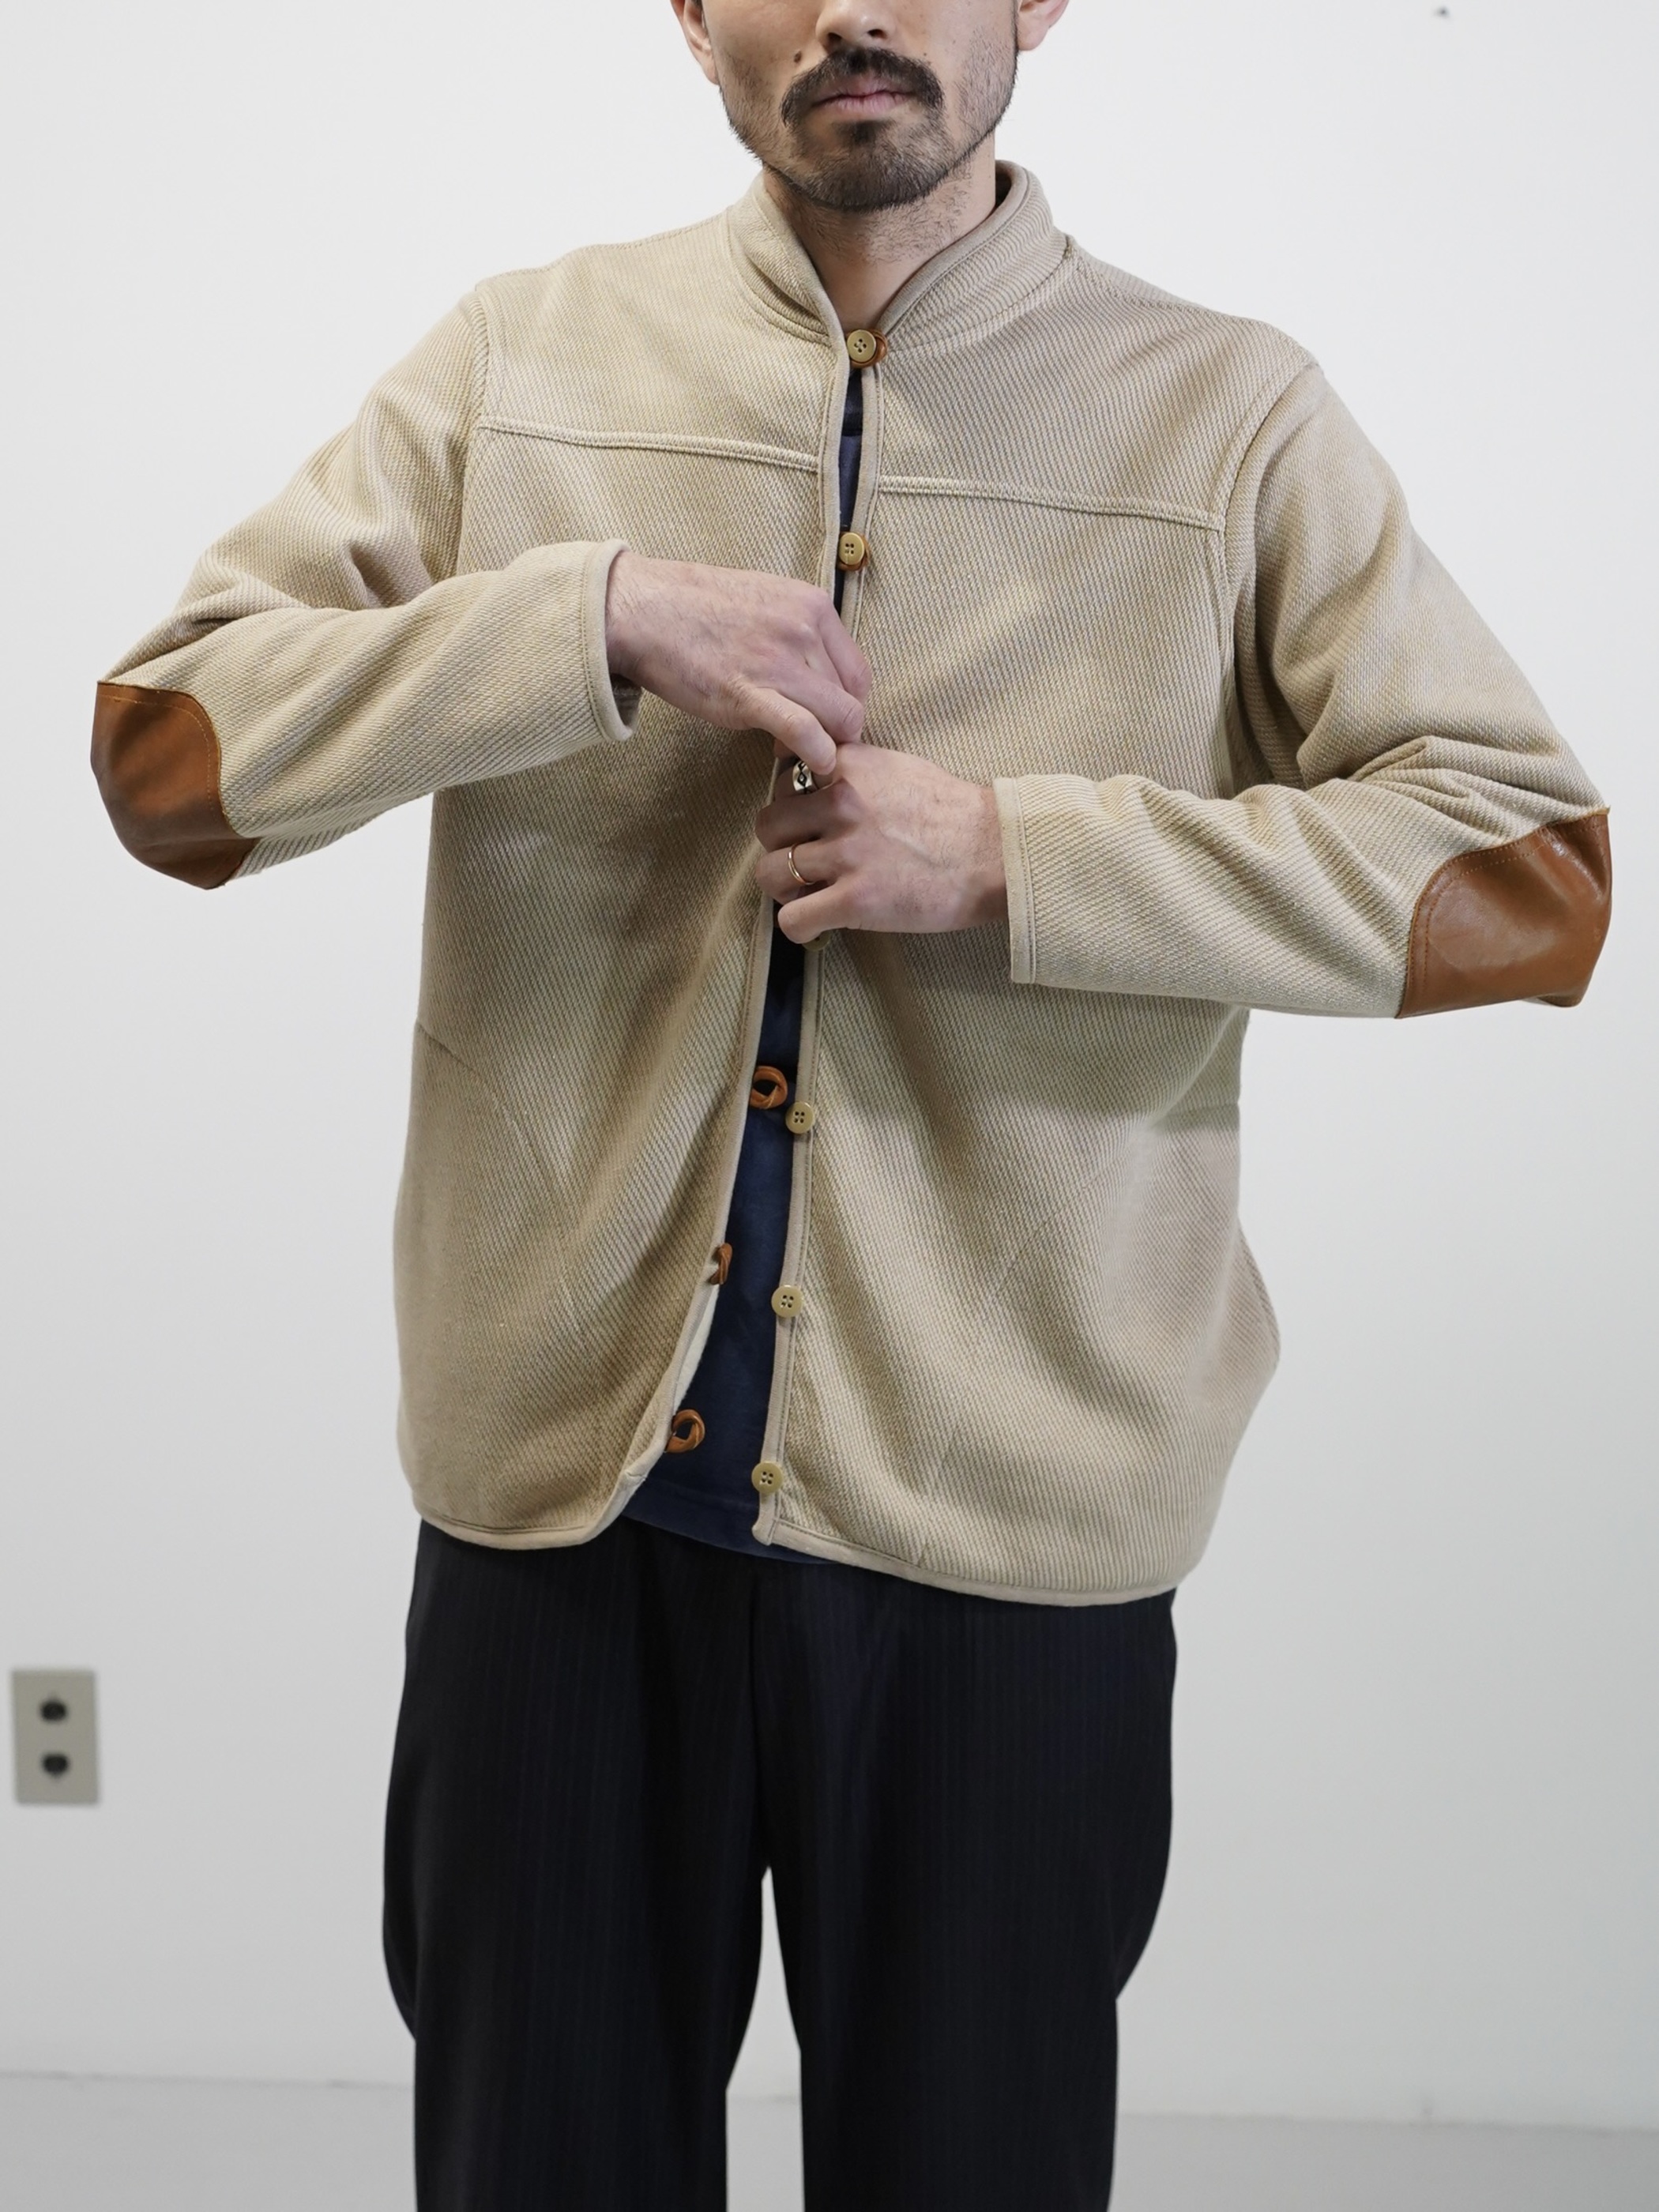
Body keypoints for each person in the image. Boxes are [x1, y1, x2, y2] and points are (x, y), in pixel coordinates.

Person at [90, 2, 1611, 2204]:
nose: (852, 16)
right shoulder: (523, 359)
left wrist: (1016, 856)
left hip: (1014, 1531)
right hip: (561, 1518)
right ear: (690, 15)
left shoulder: (1227, 411)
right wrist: (589, 618)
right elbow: (173, 765)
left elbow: (1528, 878)